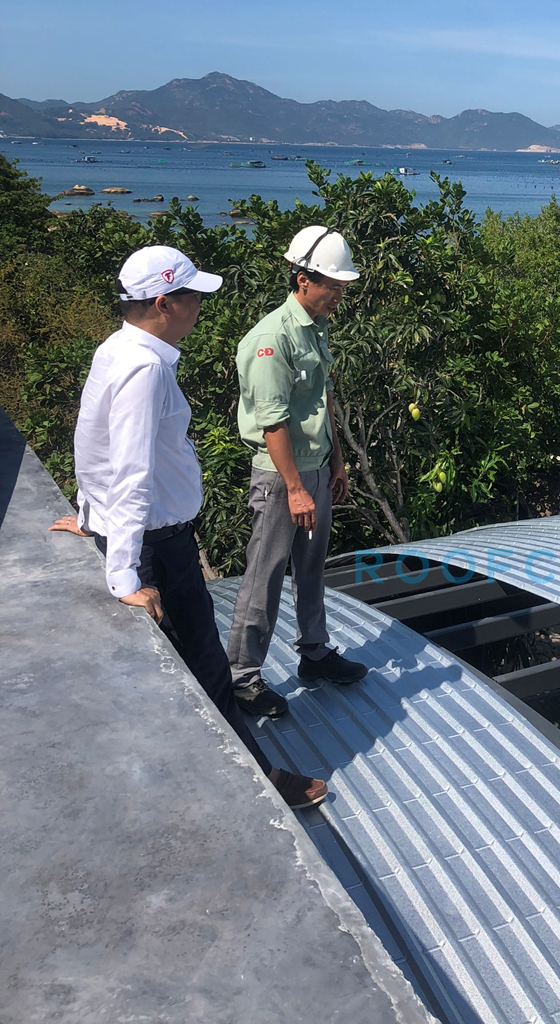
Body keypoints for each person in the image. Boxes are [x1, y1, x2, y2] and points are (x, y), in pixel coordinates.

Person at [51, 245, 327, 809]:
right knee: (204, 665)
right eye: (192, 296)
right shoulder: (146, 368)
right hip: (158, 546)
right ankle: (255, 784)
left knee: (186, 667)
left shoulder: (118, 349)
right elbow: (130, 469)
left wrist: (92, 516)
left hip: (142, 536)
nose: (200, 305)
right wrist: (123, 574)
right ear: (163, 303)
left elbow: (91, 442)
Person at [227, 226, 368, 719]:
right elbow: (272, 422)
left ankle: (315, 653)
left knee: (311, 569)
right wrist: (293, 488)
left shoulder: (316, 326)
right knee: (264, 575)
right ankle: (242, 677)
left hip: (315, 470)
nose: (339, 295)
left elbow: (320, 399)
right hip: (281, 477)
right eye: (333, 285)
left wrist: (336, 460)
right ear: (303, 278)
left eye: (343, 287)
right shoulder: (272, 337)